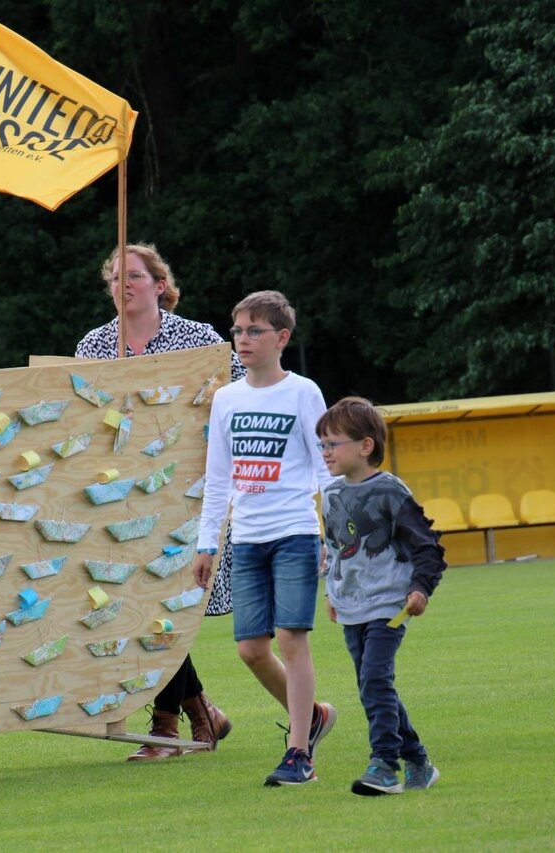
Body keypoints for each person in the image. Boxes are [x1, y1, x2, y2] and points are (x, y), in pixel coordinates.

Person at [75, 242, 240, 760]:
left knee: (165, 603)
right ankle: (200, 715)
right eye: (116, 279)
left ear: (160, 285)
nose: (124, 286)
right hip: (120, 502)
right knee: (140, 607)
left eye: (135, 277)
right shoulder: (95, 346)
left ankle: (167, 728)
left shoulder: (198, 339)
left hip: (187, 496)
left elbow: (233, 404)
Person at [192, 290, 337, 787]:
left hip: (295, 531)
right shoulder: (226, 399)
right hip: (247, 539)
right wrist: (207, 542)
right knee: (251, 650)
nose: (242, 340)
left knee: (293, 639)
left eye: (254, 331)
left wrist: (332, 537)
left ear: (282, 338)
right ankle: (313, 715)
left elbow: (326, 469)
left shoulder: (303, 392)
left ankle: (299, 753)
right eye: (237, 331)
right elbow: (217, 478)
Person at [316, 396, 445, 795]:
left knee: (375, 679)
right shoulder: (332, 495)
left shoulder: (390, 491)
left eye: (333, 444)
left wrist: (420, 587)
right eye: (322, 445)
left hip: (389, 605)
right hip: (351, 606)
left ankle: (385, 765)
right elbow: (335, 550)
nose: (325, 452)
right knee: (372, 685)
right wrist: (332, 593)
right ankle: (419, 761)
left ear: (365, 446)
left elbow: (428, 546)